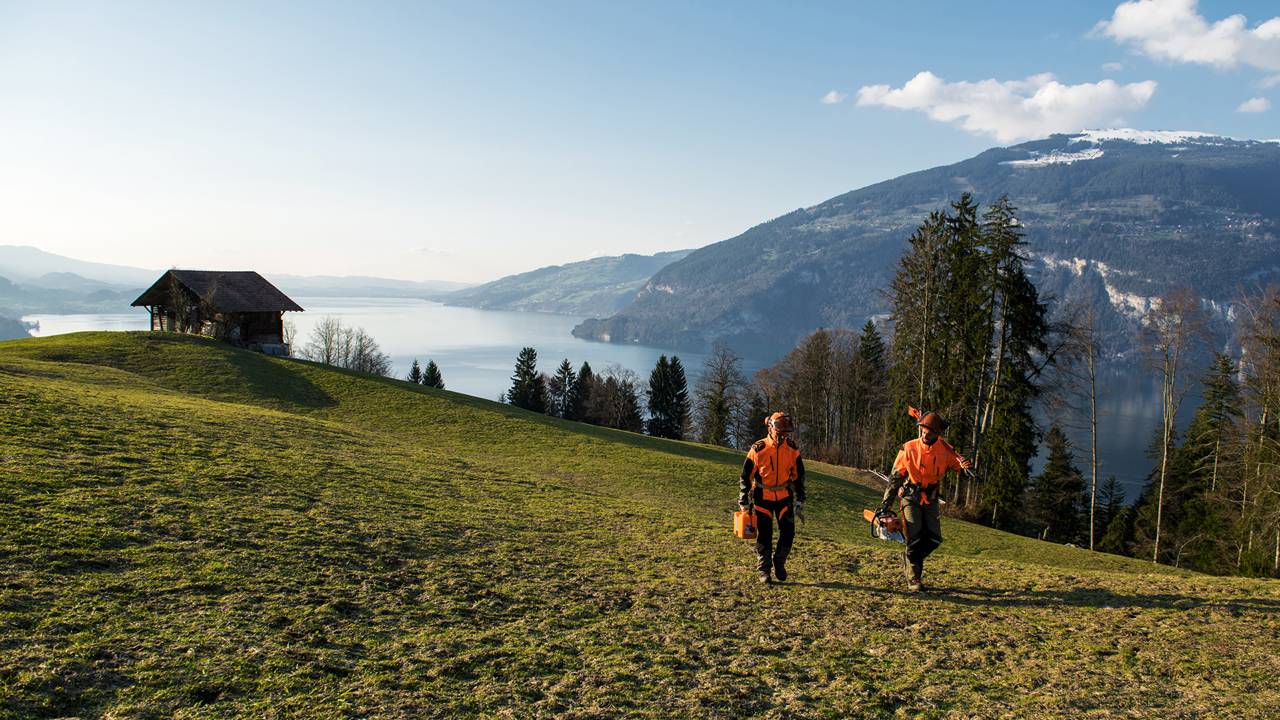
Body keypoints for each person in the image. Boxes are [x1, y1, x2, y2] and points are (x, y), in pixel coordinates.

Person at [879, 407, 972, 592]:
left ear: (937, 434)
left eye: (928, 433)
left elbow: (959, 467)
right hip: (910, 496)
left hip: (931, 498)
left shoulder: (946, 452)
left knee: (934, 539)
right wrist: (885, 506)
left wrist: (967, 468)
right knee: (914, 537)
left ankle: (910, 558)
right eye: (922, 431)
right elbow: (895, 478)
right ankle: (914, 579)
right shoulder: (908, 448)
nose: (924, 435)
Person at [738, 412, 806, 584]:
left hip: (784, 495)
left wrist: (800, 499)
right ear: (770, 428)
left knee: (788, 532)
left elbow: (799, 476)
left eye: (786, 432)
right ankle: (764, 569)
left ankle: (779, 561)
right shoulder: (758, 448)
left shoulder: (792, 449)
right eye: (780, 431)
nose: (783, 435)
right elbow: (745, 475)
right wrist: (743, 498)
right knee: (764, 534)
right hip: (762, 496)